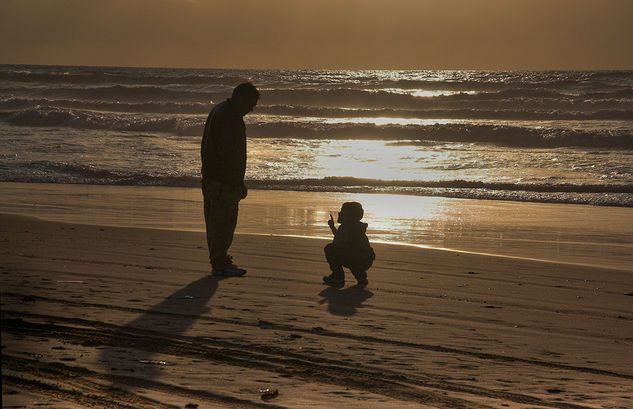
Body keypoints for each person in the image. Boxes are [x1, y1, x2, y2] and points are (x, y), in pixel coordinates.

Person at [201, 82, 259, 276]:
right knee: (223, 222)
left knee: (217, 221)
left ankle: (220, 259)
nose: (251, 110)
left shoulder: (220, 110)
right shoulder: (229, 117)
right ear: (239, 98)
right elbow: (229, 155)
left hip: (213, 177)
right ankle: (220, 262)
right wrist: (236, 182)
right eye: (250, 105)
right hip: (222, 180)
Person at [323, 202, 375, 287]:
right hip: (366, 260)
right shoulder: (357, 226)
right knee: (351, 253)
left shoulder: (345, 227)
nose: (340, 214)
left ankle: (338, 277)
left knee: (330, 249)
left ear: (349, 216)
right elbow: (343, 238)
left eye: (342, 212)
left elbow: (338, 242)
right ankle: (361, 277)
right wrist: (332, 227)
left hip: (355, 258)